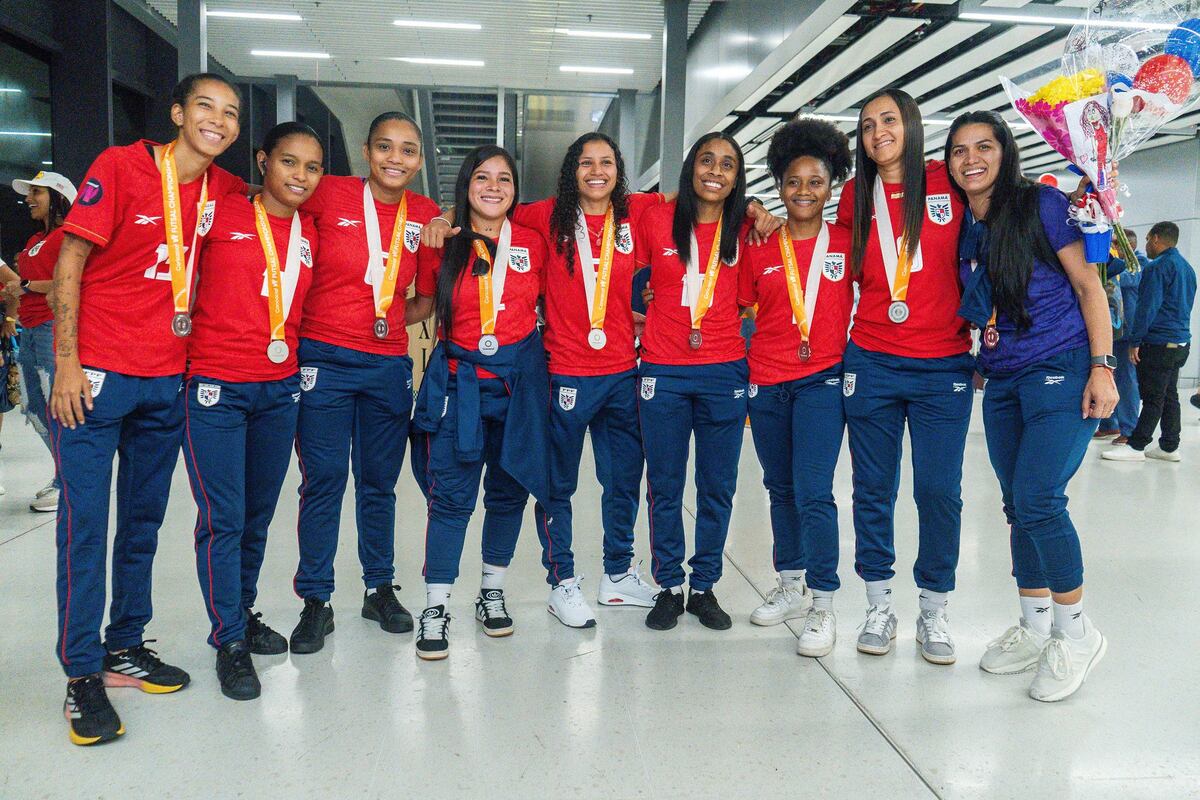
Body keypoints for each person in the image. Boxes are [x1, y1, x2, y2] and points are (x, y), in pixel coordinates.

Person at [47, 72, 246, 745]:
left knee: (142, 522)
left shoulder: (222, 190)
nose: (219, 120)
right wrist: (66, 361)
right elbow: (71, 257)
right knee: (84, 526)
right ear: (177, 112)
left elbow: (290, 201)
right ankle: (80, 677)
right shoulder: (124, 166)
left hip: (167, 380)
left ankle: (123, 644)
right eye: (206, 107)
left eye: (231, 113)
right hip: (96, 375)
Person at [948, 111, 1116, 701]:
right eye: (960, 150)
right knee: (1018, 506)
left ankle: (1076, 633)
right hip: (1002, 380)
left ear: (1005, 152)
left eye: (984, 146)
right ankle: (1034, 625)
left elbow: (1089, 287)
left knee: (1040, 498)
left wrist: (1103, 366)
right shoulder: (970, 224)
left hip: (1060, 368)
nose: (971, 159)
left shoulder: (1042, 206)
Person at [289, 111, 441, 654]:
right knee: (324, 480)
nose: (394, 159)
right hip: (322, 360)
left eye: (406, 150)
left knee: (379, 483)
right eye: (384, 147)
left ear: (419, 161)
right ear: (366, 151)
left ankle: (379, 588)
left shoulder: (425, 215)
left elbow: (425, 298)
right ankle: (315, 600)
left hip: (386, 365)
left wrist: (384, 323)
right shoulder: (327, 194)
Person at [181, 122, 323, 700]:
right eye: (289, 162)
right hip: (217, 383)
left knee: (258, 513)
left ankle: (239, 611)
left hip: (279, 387)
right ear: (263, 161)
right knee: (224, 515)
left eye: (312, 168)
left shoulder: (310, 231)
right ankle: (229, 640)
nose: (300, 176)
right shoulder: (222, 211)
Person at [838, 88, 974, 665]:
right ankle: (877, 603)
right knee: (873, 489)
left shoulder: (949, 181)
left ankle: (935, 608)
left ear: (912, 126)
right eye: (867, 126)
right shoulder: (852, 195)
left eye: (888, 120)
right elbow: (832, 267)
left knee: (939, 492)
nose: (878, 133)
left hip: (943, 362)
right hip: (871, 357)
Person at [407, 145, 550, 660]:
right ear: (466, 184)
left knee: (509, 494)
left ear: (515, 190)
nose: (493, 187)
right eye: (483, 178)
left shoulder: (534, 242)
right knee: (452, 499)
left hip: (518, 390)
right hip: (460, 384)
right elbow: (420, 303)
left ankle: (492, 590)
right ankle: (436, 603)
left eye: (505, 179)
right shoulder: (442, 241)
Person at [739, 118, 854, 657]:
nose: (804, 191)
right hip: (766, 380)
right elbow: (735, 307)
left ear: (831, 185)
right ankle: (789, 583)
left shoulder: (847, 245)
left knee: (814, 492)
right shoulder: (761, 243)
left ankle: (823, 604)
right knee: (778, 489)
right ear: (778, 187)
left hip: (821, 382)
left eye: (815, 181)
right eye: (792, 181)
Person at [635, 132, 751, 632]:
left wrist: (761, 209)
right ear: (690, 167)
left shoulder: (746, 228)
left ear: (736, 178)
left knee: (717, 485)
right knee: (664, 483)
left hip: (725, 368)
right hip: (663, 367)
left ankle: (703, 585)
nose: (716, 171)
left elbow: (749, 297)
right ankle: (668, 585)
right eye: (707, 160)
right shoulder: (654, 216)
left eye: (728, 164)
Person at [4, 170, 75, 511]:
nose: (30, 198)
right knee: (33, 410)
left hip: (52, 328)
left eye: (37, 193)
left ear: (58, 197)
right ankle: (65, 474)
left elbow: (71, 281)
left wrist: (28, 286)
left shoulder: (69, 238)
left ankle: (68, 482)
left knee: (59, 408)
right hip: (29, 331)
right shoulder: (35, 241)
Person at [1102, 221, 1196, 463]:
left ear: (1156, 239)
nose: (1146, 245)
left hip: (1158, 342)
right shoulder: (1187, 269)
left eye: (1147, 240)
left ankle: (1136, 446)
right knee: (1169, 395)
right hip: (1181, 342)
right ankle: (1168, 446)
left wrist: (1135, 341)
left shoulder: (1158, 268)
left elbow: (1147, 308)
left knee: (1153, 396)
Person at [1096, 231, 1146, 444]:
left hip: (1128, 332)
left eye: (1115, 243)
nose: (1112, 247)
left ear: (1129, 245)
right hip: (1112, 331)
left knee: (1126, 380)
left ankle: (1129, 428)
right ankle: (1109, 424)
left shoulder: (1138, 264)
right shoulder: (1117, 264)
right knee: (1109, 377)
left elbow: (1115, 277)